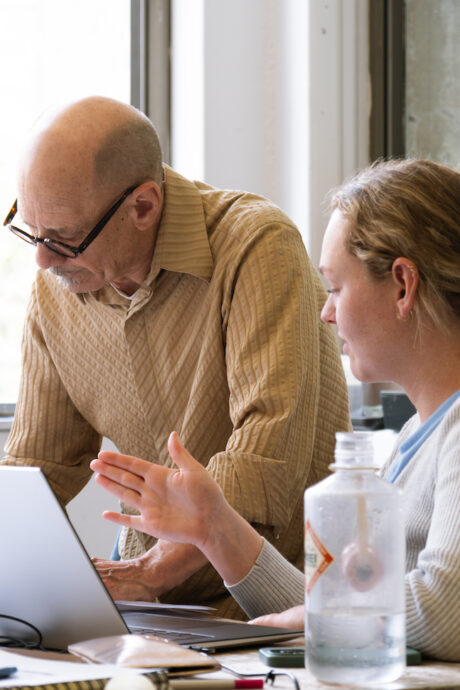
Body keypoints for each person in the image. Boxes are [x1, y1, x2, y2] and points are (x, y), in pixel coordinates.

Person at [90, 158, 460, 661]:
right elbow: (341, 610)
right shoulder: (415, 438)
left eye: (335, 287)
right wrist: (213, 526)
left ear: (402, 285)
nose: (326, 313)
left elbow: (443, 612)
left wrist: (312, 616)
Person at [1, 96, 351, 619]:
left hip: (283, 605)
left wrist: (150, 574)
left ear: (143, 207)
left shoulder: (256, 246)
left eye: (64, 239)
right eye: (30, 230)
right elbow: (38, 471)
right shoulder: (58, 289)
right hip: (151, 606)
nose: (42, 259)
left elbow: (266, 462)